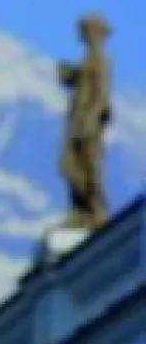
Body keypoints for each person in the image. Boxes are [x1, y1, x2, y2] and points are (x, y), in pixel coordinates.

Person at [57, 13, 113, 229]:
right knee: (69, 164)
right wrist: (70, 75)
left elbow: (102, 95)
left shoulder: (101, 59)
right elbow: (83, 81)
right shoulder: (89, 58)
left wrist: (92, 118)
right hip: (77, 119)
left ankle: (94, 208)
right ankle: (80, 209)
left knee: (89, 166)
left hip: (88, 122)